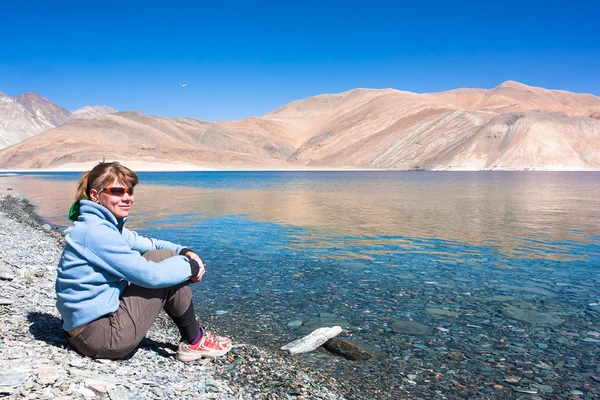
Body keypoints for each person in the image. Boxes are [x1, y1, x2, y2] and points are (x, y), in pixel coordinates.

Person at [55, 161, 231, 362]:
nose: (127, 198)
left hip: (83, 329)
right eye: (117, 191)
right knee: (166, 264)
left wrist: (185, 251)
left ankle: (194, 337)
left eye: (129, 191)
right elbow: (151, 277)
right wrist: (190, 267)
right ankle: (195, 341)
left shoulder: (100, 226)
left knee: (164, 256)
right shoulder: (98, 233)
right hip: (101, 338)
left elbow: (150, 244)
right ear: (96, 195)